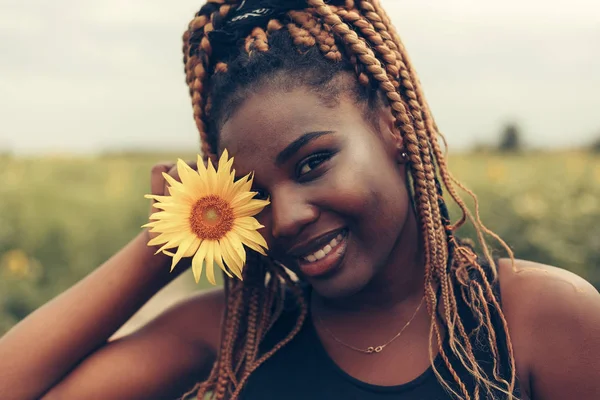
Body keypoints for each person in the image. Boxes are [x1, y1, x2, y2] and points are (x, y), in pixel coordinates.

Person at [1, 0, 599, 399]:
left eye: (313, 163)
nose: (284, 218)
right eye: (253, 197)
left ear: (393, 124)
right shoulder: (241, 333)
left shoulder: (538, 318)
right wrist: (167, 240)